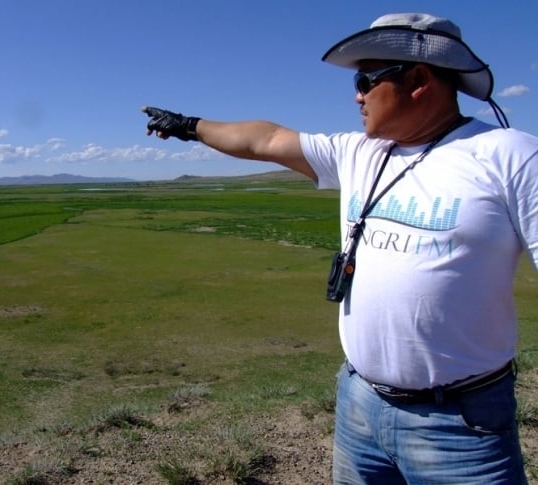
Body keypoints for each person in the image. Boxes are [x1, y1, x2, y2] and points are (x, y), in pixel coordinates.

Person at [142, 12, 538, 484]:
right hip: (359, 405)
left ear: (419, 79)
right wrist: (190, 125)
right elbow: (264, 140)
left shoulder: (509, 155)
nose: (356, 95)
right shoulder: (359, 153)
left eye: (366, 79)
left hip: (460, 425)